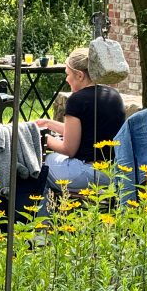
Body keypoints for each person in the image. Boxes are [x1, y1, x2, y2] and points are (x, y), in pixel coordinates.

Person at [35, 47, 126, 193]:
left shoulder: (76, 100)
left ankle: (44, 209)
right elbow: (86, 131)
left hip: (87, 173)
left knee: (39, 164)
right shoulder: (113, 95)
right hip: (112, 172)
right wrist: (48, 124)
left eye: (68, 74)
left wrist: (41, 138)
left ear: (79, 75)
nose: (66, 79)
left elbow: (68, 149)